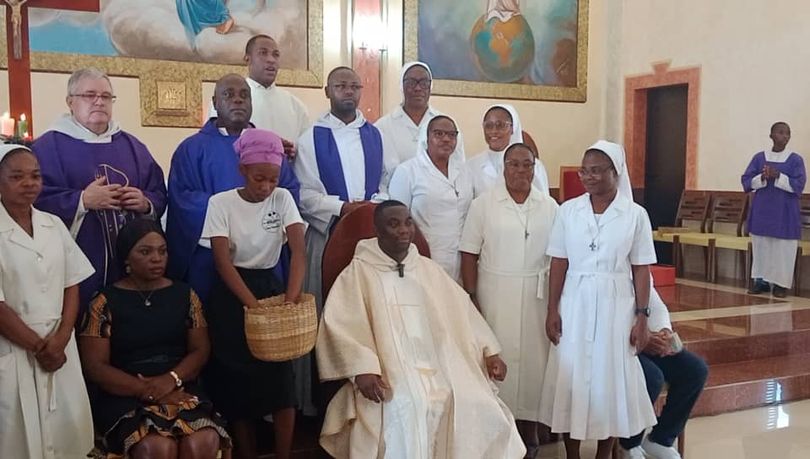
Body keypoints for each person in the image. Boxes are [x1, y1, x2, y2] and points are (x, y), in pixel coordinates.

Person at [316, 200, 525, 458]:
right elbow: (343, 325)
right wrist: (362, 369)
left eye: (408, 222)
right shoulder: (358, 273)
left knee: (476, 401)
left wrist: (490, 352)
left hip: (441, 363)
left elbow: (464, 313)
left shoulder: (428, 269)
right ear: (377, 231)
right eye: (394, 224)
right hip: (390, 370)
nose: (404, 230)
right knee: (410, 404)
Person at [540, 140, 657, 459]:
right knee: (572, 374)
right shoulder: (568, 211)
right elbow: (559, 261)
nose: (588, 177)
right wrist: (552, 309)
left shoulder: (635, 215)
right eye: (584, 171)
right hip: (574, 301)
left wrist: (642, 317)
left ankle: (605, 452)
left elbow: (641, 268)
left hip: (616, 303)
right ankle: (572, 453)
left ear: (615, 172)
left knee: (611, 377)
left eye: (596, 171)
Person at [79, 219, 230, 459]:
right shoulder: (103, 302)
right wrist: (148, 389)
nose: (156, 258)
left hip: (179, 385)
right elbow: (95, 367)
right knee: (157, 447)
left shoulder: (185, 295)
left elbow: (200, 350)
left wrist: (170, 380)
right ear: (126, 259)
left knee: (202, 441)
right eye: (145, 252)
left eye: (162, 251)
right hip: (124, 392)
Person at [200, 129, 306, 459]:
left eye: (273, 179)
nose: (266, 187)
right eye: (259, 179)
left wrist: (289, 302)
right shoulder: (221, 203)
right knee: (238, 381)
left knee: (281, 381)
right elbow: (222, 262)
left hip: (271, 289)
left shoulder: (282, 199)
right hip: (233, 293)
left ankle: (283, 454)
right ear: (242, 170)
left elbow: (298, 252)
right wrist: (252, 307)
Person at [33, 67, 167, 311]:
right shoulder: (47, 147)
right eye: (89, 95)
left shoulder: (133, 147)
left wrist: (145, 202)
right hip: (80, 257)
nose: (99, 101)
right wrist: (82, 200)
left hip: (131, 264)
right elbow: (34, 198)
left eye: (106, 96)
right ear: (70, 102)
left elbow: (158, 191)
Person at [459, 143, 559, 457]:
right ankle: (498, 434)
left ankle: (530, 433)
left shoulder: (549, 206)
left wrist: (555, 305)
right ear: (504, 168)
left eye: (527, 164)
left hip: (536, 296)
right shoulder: (484, 204)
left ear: (534, 168)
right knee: (496, 358)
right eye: (514, 164)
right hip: (495, 293)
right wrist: (472, 297)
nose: (520, 171)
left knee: (533, 365)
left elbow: (560, 256)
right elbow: (468, 253)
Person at [166, 73, 299, 303]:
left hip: (263, 255)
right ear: (215, 102)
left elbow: (289, 190)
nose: (238, 100)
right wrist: (232, 213)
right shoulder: (191, 149)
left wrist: (256, 219)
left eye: (244, 95)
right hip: (212, 257)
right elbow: (182, 198)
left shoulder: (270, 146)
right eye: (228, 95)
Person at [0, 144, 95, 458]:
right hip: (15, 346)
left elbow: (72, 282)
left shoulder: (53, 224)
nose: (29, 183)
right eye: (17, 176)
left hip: (59, 345)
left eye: (35, 176)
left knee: (66, 436)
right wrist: (40, 347)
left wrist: (63, 336)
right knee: (17, 438)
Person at [293, 66, 387, 307]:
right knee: (331, 302)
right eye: (341, 86)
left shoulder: (375, 135)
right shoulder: (310, 138)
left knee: (370, 301)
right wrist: (342, 208)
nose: (349, 92)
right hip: (328, 232)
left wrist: (373, 204)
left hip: (370, 229)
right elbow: (303, 193)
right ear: (327, 91)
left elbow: (386, 181)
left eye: (355, 87)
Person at [617, 290, 708, 459]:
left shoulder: (641, 273)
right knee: (651, 378)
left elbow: (655, 302)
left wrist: (664, 330)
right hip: (620, 345)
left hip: (647, 338)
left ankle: (660, 439)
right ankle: (629, 444)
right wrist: (641, 337)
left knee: (695, 370)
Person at [389, 114, 473, 280]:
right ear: (426, 138)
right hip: (423, 256)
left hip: (460, 258)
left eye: (451, 135)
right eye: (438, 134)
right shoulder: (407, 171)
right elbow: (396, 221)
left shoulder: (465, 171)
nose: (446, 139)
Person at [209, 34, 310, 160]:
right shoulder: (227, 101)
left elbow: (306, 152)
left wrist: (293, 151)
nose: (271, 60)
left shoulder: (296, 106)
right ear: (247, 59)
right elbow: (215, 144)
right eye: (263, 53)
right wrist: (268, 147)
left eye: (275, 55)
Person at [742, 121, 806, 298]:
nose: (784, 136)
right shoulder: (759, 158)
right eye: (780, 132)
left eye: (787, 133)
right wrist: (762, 177)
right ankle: (760, 281)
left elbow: (799, 184)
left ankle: (780, 284)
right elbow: (746, 181)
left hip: (785, 211)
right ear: (771, 135)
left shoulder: (795, 159)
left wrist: (778, 175)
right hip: (763, 210)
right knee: (762, 246)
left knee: (782, 249)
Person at [467, 104, 549, 197]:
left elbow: (543, 202)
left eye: (500, 125)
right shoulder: (471, 165)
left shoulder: (533, 165)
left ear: (513, 128)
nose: (494, 131)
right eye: (488, 126)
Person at [375, 61, 443, 168]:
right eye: (411, 83)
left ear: (430, 86)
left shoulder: (445, 125)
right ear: (402, 86)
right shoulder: (382, 127)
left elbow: (457, 166)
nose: (418, 88)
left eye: (424, 83)